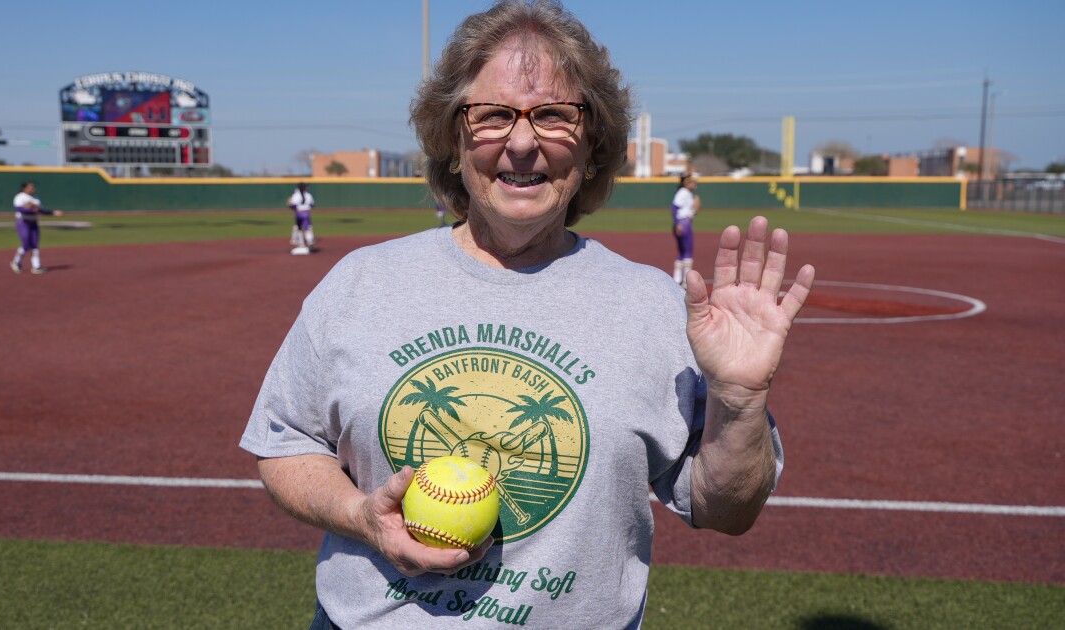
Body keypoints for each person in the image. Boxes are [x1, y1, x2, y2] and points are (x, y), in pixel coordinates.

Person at [240, 2, 815, 628]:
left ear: (592, 142)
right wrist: (360, 518)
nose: (521, 142)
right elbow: (284, 443)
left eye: (553, 115)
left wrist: (739, 396)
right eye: (490, 115)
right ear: (453, 139)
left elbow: (727, 510)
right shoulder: (359, 283)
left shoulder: (653, 307)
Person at [10, 181, 63, 274]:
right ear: (24, 188)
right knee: (26, 245)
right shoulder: (20, 197)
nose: (33, 189)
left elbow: (41, 210)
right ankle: (16, 262)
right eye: (30, 187)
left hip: (34, 223)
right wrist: (31, 209)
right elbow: (19, 209)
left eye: (33, 187)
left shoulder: (36, 198)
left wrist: (53, 212)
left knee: (35, 245)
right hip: (23, 222)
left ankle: (36, 266)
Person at [671, 172, 700, 285]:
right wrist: (678, 223)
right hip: (684, 224)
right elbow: (674, 208)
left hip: (682, 222)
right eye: (693, 182)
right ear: (687, 182)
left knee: (682, 252)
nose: (695, 184)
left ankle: (677, 279)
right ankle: (687, 281)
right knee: (688, 251)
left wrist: (693, 211)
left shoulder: (686, 193)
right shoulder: (684, 192)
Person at [288, 182, 315, 255]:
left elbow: (292, 205)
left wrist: (289, 204)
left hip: (299, 213)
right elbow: (312, 204)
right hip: (306, 213)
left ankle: (301, 244)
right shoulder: (308, 195)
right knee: (307, 228)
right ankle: (310, 241)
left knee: (299, 228)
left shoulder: (296, 195)